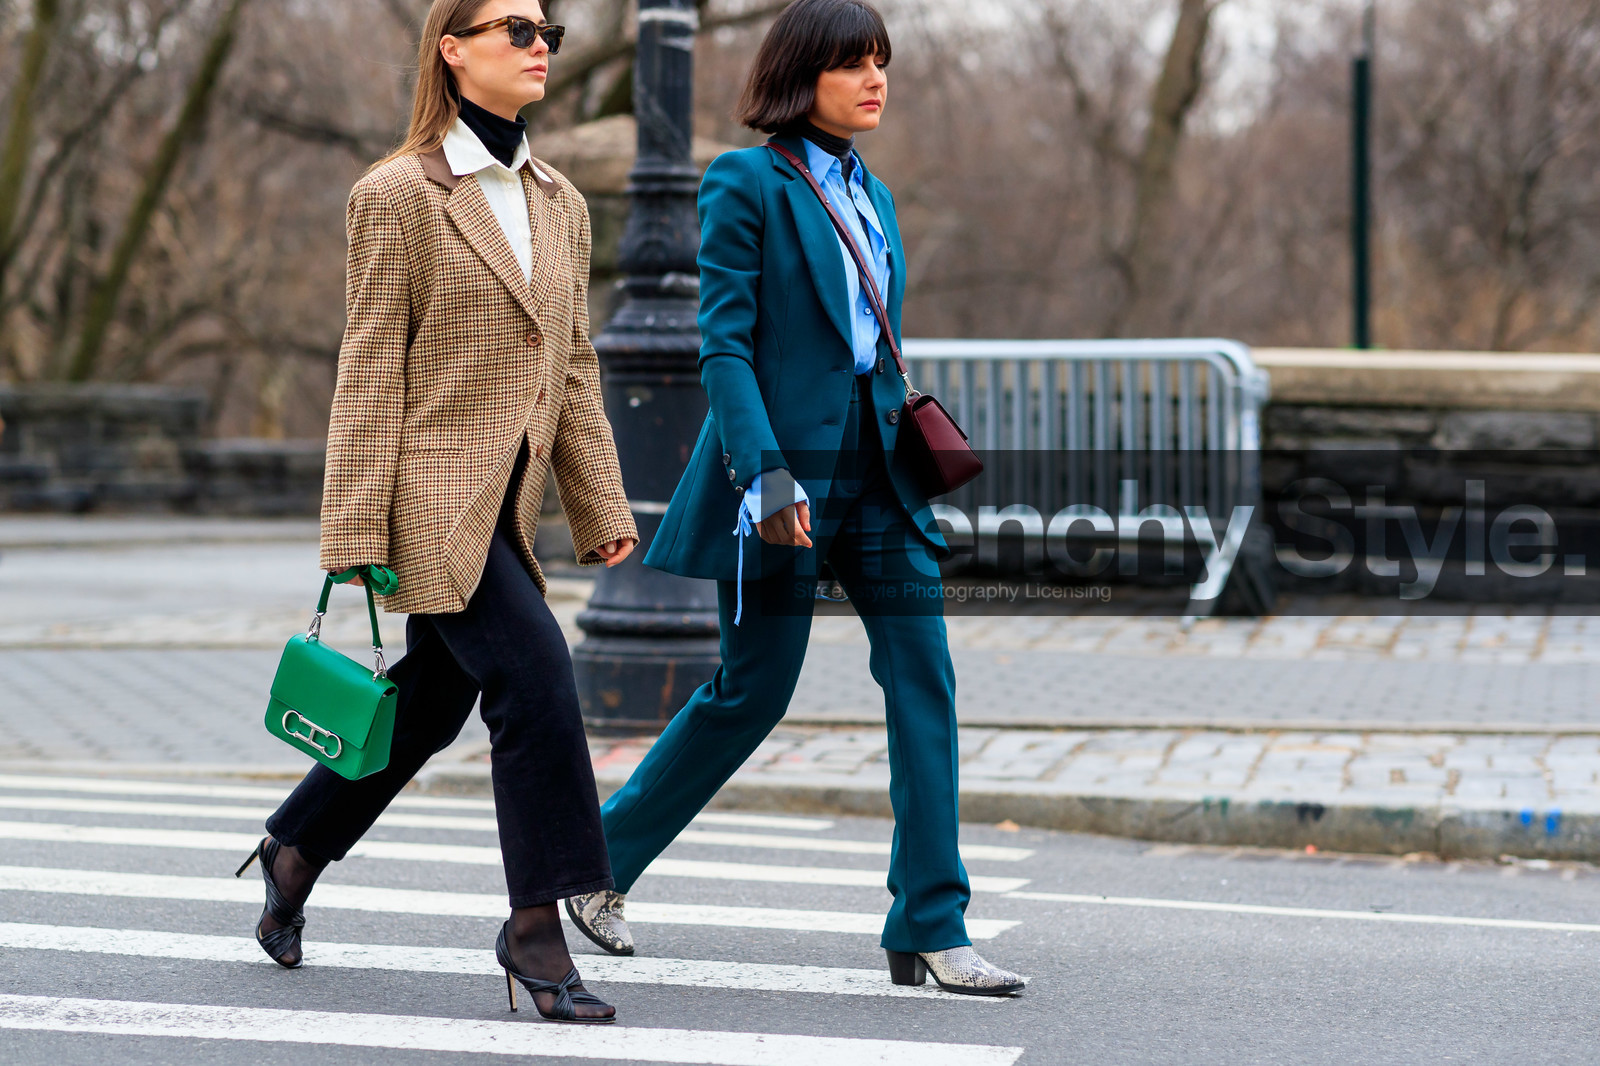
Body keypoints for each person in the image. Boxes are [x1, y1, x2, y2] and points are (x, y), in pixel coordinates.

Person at [564, 0, 1024, 997]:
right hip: (779, 484)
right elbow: (722, 343)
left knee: (924, 677)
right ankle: (590, 868)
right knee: (751, 692)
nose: (875, 80)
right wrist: (764, 473)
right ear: (799, 75)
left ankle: (931, 924)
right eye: (852, 64)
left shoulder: (877, 195)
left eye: (881, 63)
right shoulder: (747, 182)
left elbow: (866, 341)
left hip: (880, 475)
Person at [238, 0, 638, 1024]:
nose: (541, 43)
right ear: (452, 50)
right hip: (423, 500)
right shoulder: (397, 195)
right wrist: (355, 537)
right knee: (537, 675)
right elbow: (370, 367)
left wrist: (599, 501)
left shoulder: (559, 202)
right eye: (516, 28)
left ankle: (293, 848)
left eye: (549, 29)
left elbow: (574, 367)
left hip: (508, 507)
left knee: (431, 703)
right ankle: (536, 929)